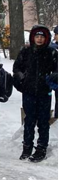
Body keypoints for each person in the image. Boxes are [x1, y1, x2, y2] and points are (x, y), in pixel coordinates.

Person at [13, 25, 59, 163]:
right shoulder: (26, 52)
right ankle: (27, 147)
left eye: (42, 37)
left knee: (43, 122)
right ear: (33, 37)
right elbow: (17, 68)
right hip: (29, 92)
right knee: (29, 120)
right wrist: (21, 78)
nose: (39, 39)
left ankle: (41, 148)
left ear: (46, 38)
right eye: (37, 36)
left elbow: (58, 70)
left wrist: (52, 77)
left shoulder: (52, 53)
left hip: (44, 92)